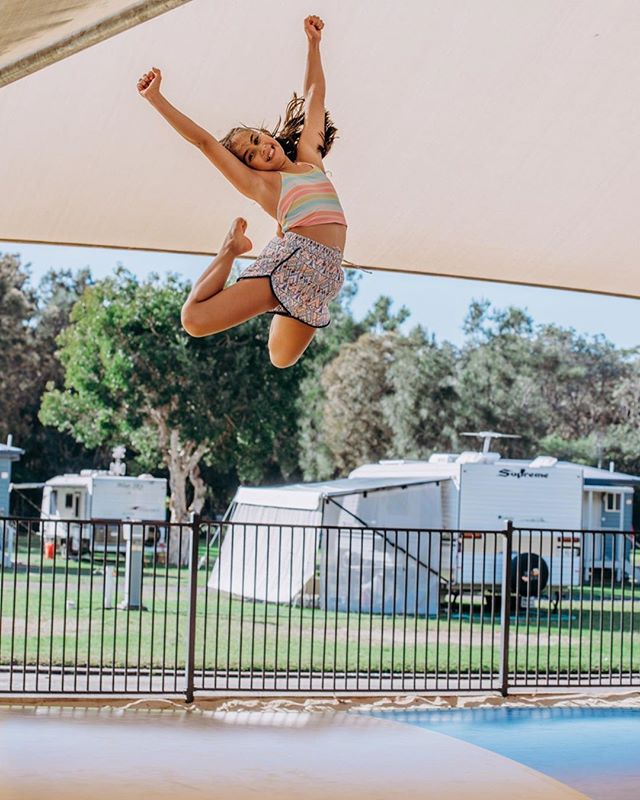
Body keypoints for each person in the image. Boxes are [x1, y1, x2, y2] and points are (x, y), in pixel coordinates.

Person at [137, 14, 347, 368]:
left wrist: (313, 45)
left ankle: (276, 249)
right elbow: (204, 142)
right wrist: (156, 98)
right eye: (251, 157)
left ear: (267, 134)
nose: (261, 150)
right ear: (252, 170)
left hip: (323, 277)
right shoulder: (264, 185)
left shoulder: (310, 158)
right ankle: (231, 250)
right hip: (296, 264)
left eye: (256, 140)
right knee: (194, 320)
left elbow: (314, 94)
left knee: (281, 357)